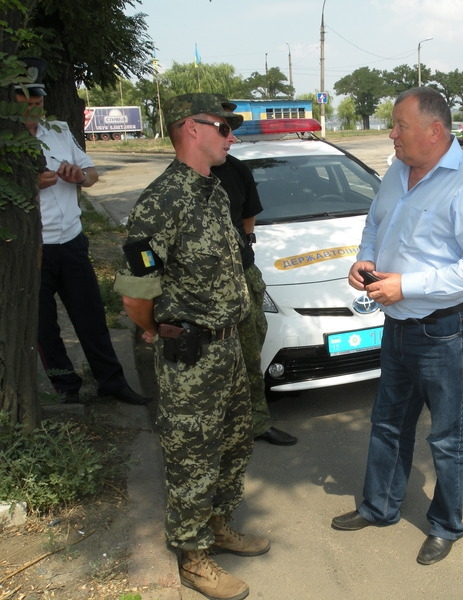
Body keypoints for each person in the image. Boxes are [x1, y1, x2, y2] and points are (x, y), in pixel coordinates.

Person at [331, 87, 463, 565]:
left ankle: (446, 524)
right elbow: (375, 220)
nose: (391, 133)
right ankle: (379, 506)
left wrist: (407, 285)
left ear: (435, 130)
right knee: (388, 421)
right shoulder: (396, 169)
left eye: (399, 125)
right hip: (398, 323)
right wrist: (365, 256)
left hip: (446, 328)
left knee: (449, 434)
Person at [114, 93, 269, 600]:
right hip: (192, 355)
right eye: (223, 128)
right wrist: (157, 331)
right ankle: (192, 557)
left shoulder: (213, 191)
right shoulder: (162, 200)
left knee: (233, 443)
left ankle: (217, 527)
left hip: (227, 349)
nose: (231, 136)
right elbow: (137, 290)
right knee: (192, 456)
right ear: (191, 129)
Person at [14, 57, 147, 406]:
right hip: (32, 250)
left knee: (90, 316)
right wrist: (28, 184)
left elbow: (91, 175)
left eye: (37, 101)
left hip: (72, 241)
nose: (33, 108)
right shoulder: (5, 141)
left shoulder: (57, 130)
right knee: (44, 327)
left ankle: (112, 381)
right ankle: (65, 386)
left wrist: (79, 177)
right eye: (24, 101)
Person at [211, 151, 297, 446]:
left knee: (251, 350)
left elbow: (248, 217)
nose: (230, 138)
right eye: (222, 129)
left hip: (243, 272)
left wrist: (242, 252)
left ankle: (257, 423)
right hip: (205, 285)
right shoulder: (175, 183)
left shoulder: (236, 170)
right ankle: (216, 429)